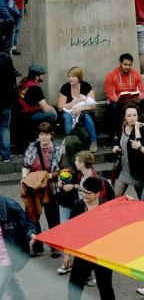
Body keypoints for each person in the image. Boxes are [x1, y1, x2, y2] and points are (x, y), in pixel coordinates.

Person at [66, 177, 116, 300]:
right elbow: (69, 231)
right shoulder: (78, 206)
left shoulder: (106, 207)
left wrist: (129, 199)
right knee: (74, 286)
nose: (84, 195)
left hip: (103, 254)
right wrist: (67, 254)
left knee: (105, 287)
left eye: (88, 193)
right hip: (83, 252)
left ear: (97, 193)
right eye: (83, 191)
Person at [21, 122, 62, 258]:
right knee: (32, 217)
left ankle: (55, 247)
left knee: (53, 218)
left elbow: (61, 169)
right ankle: (37, 246)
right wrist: (24, 178)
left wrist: (46, 177)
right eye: (41, 134)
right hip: (34, 188)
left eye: (46, 134)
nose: (43, 137)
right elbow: (25, 164)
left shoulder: (57, 148)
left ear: (51, 135)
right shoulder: (32, 147)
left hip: (51, 188)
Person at [0, 195, 36, 299]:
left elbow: (27, 224)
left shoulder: (9, 205)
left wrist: (31, 234)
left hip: (6, 259)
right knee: (12, 288)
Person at [57, 66, 98, 152]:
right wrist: (74, 102)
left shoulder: (86, 86)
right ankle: (70, 141)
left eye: (73, 76)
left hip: (83, 110)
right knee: (66, 117)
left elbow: (93, 105)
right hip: (69, 112)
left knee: (86, 115)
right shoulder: (65, 87)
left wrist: (80, 109)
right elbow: (60, 107)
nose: (70, 78)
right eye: (69, 76)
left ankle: (93, 142)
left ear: (79, 77)